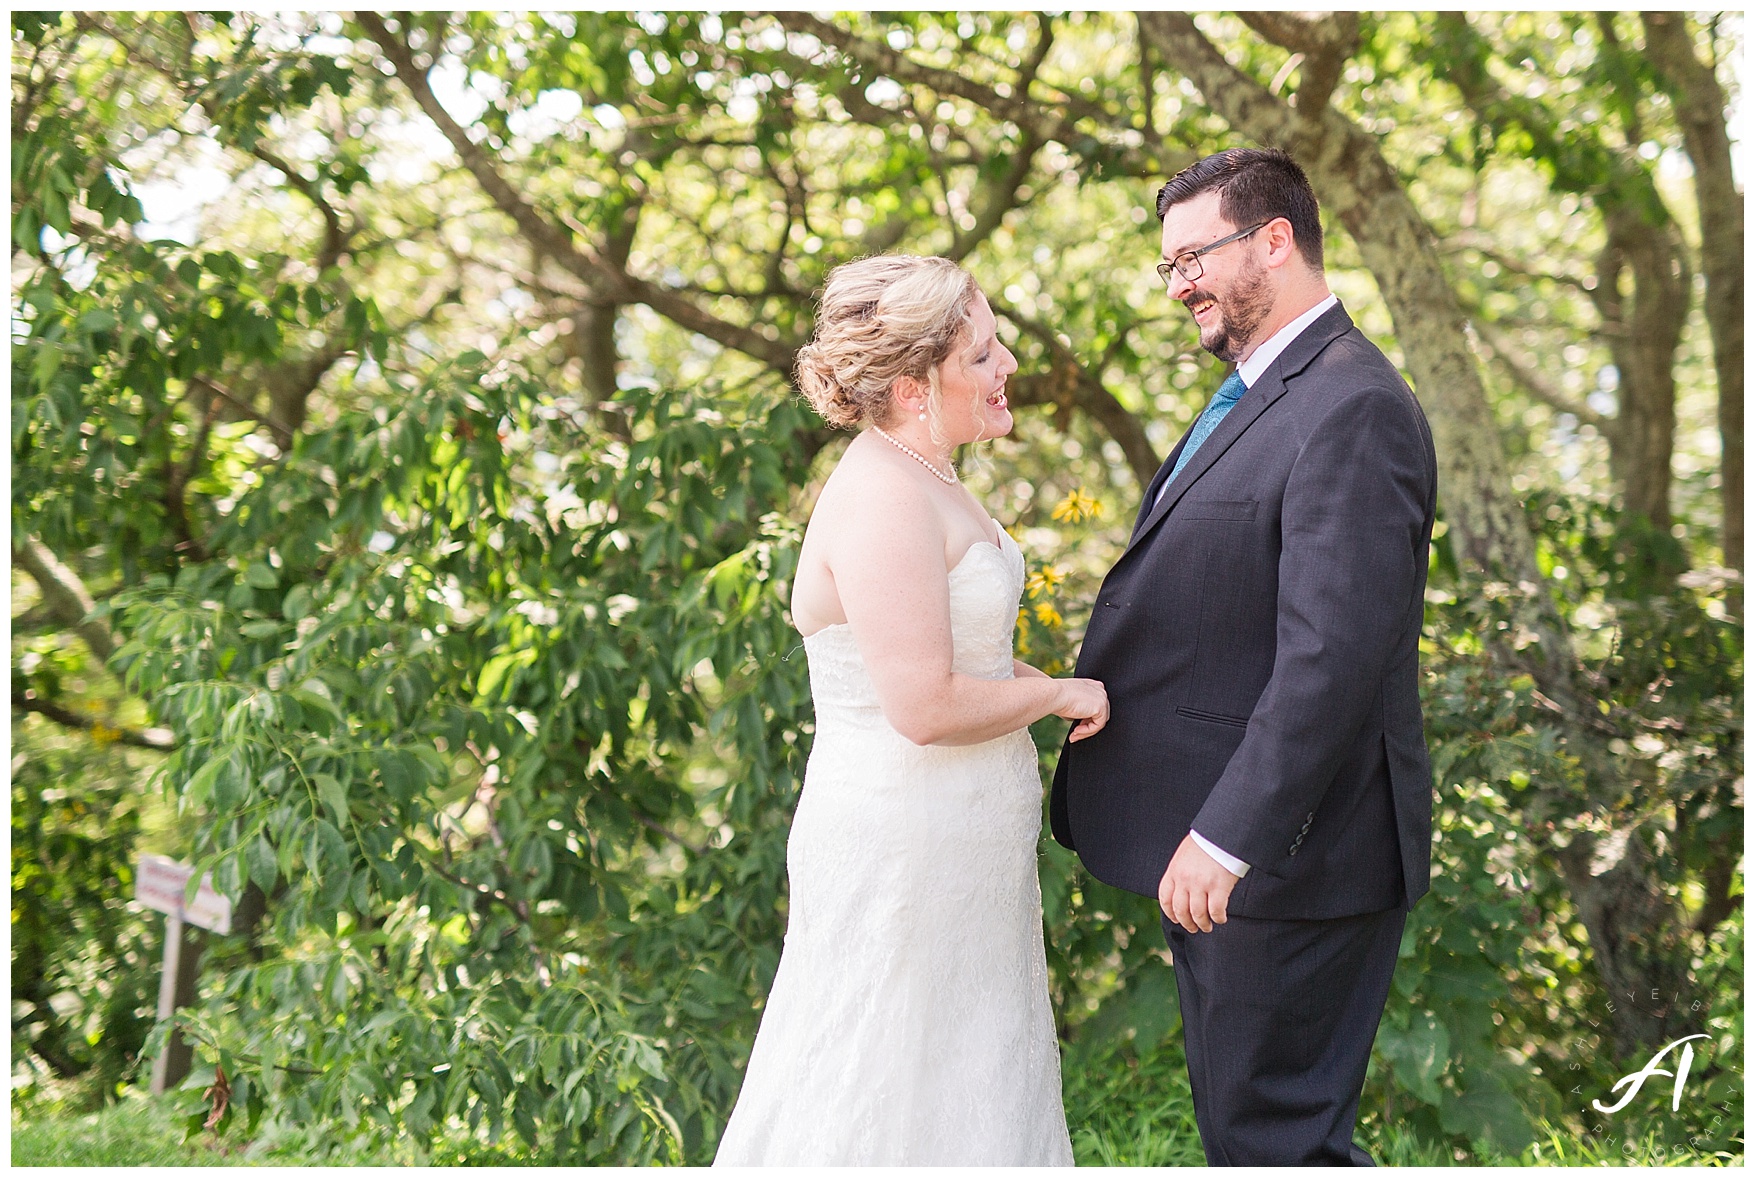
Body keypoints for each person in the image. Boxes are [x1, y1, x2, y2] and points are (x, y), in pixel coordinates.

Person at [1050, 148, 1438, 1165]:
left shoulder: (1350, 403)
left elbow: (1333, 654)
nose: (1179, 283)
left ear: (1275, 240)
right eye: (1168, 264)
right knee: (1251, 1138)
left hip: (1294, 852)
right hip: (1244, 852)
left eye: (1194, 255)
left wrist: (1227, 836)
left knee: (1279, 1143)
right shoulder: (1265, 391)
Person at [714, 254, 1108, 1166]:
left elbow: (954, 650)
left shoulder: (926, 476)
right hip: (905, 839)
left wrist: (1034, 682)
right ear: (910, 387)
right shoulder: (884, 496)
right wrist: (1054, 694)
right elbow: (924, 705)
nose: (1007, 364)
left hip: (961, 839)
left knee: (965, 1071)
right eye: (980, 354)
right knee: (878, 1076)